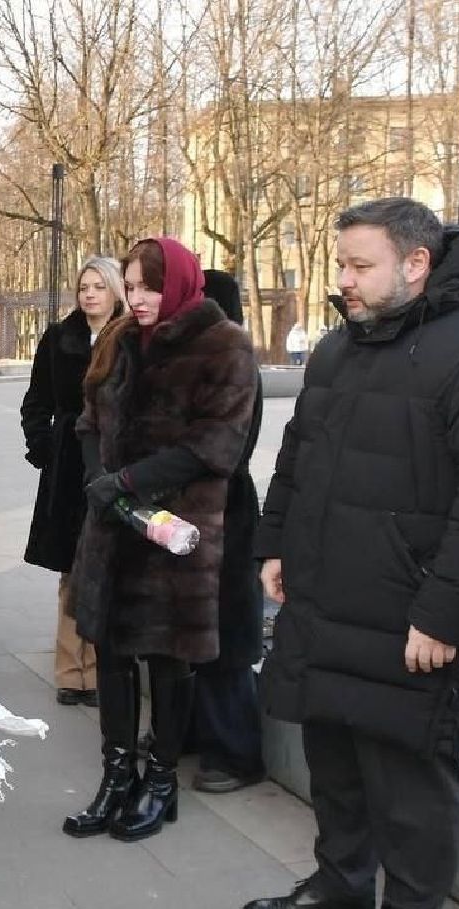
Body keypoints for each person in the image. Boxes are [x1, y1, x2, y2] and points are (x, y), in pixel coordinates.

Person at [242, 198, 459, 909]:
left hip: (411, 617)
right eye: (339, 263)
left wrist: (442, 614)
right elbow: (299, 457)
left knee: (412, 783)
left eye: (358, 265)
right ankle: (342, 889)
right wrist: (273, 546)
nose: (341, 280)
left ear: (414, 264)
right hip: (324, 602)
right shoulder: (342, 350)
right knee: (335, 759)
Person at [61, 237, 259, 841]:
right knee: (114, 656)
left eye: (148, 286)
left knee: (168, 660)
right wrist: (100, 479)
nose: (138, 298)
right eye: (131, 285)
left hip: (173, 533)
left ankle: (162, 779)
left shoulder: (222, 345)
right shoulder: (121, 339)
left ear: (176, 283)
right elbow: (89, 416)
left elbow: (216, 445)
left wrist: (127, 481)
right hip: (112, 527)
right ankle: (116, 776)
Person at [21, 257, 127, 707]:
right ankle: (71, 670)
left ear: (115, 291)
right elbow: (36, 400)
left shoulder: (132, 337)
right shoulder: (58, 337)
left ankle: (104, 670)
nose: (89, 294)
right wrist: (43, 446)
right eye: (83, 286)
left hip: (114, 459)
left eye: (99, 286)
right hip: (68, 464)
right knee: (70, 567)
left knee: (108, 565)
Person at [188, 269, 268, 792]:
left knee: (226, 640)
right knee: (198, 636)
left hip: (225, 513)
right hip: (197, 512)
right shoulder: (203, 359)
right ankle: (202, 734)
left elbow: (218, 449)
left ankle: (236, 753)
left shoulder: (232, 364)